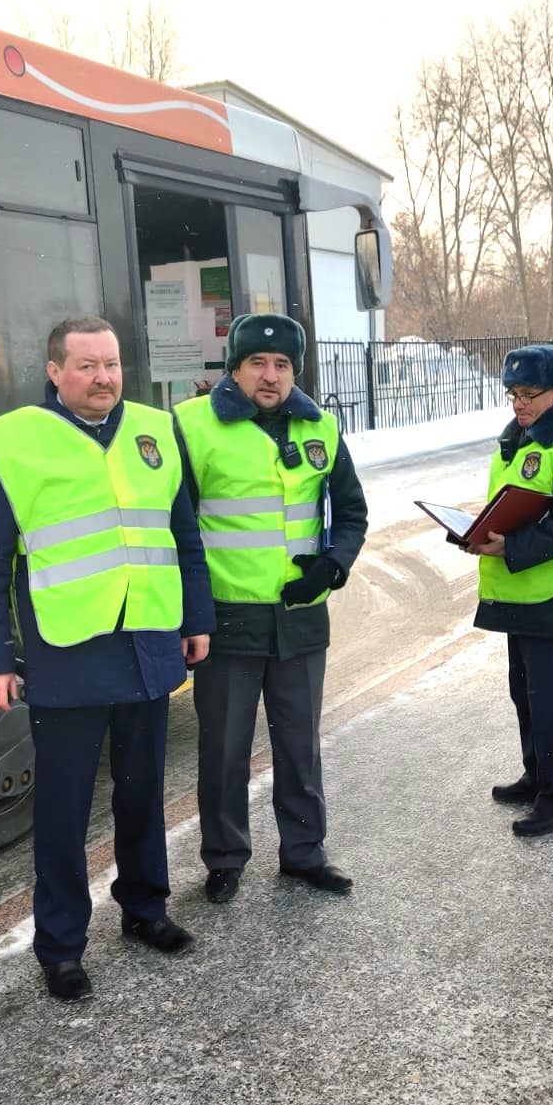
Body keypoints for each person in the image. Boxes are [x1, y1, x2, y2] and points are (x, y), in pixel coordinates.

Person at [0, 317, 215, 1001]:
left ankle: (146, 910)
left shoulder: (156, 431)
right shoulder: (12, 444)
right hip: (66, 650)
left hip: (148, 642)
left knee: (141, 794)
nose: (103, 377)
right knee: (64, 810)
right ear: (54, 371)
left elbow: (182, 537)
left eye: (110, 364)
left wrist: (197, 620)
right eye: (85, 366)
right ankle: (62, 946)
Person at [173, 313, 368, 904]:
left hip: (300, 620)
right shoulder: (194, 426)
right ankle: (225, 858)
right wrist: (192, 613)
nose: (270, 375)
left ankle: (304, 854)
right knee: (225, 750)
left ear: (294, 371)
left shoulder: (322, 429)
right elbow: (177, 526)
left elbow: (352, 513)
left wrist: (333, 566)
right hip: (228, 620)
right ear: (233, 367)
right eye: (257, 362)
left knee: (300, 745)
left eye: (282, 364)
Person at [470, 345, 553, 837]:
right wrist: (480, 534)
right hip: (515, 593)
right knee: (524, 693)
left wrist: (512, 547)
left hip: (551, 595)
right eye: (513, 394)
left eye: (529, 394)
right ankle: (538, 776)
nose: (519, 404)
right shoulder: (515, 441)